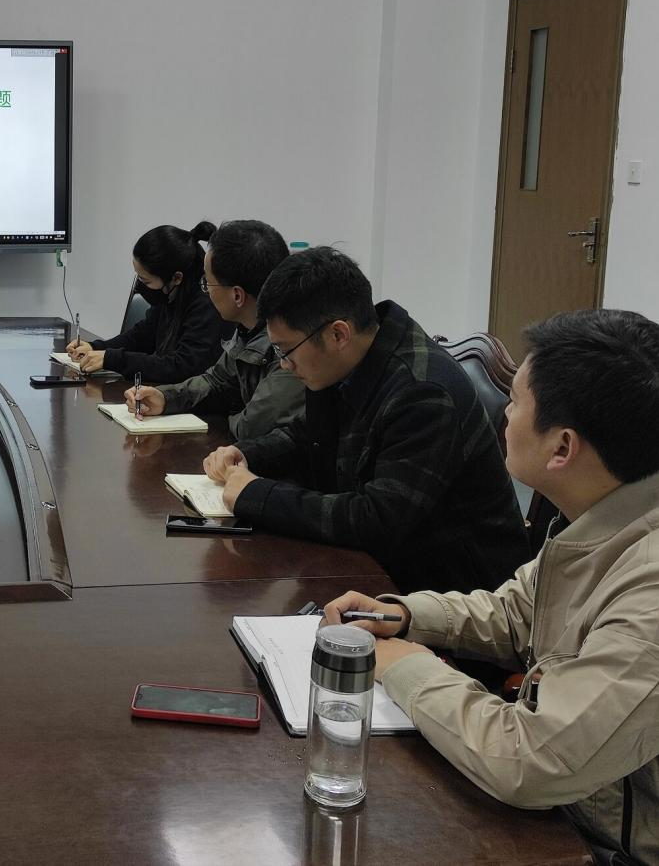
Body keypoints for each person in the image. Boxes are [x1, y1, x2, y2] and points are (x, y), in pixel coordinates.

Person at [323, 309, 659, 866]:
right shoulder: (605, 512)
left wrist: (406, 666)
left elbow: (529, 761)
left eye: (517, 401)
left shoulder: (650, 592)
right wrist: (407, 616)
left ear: (562, 448)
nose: (504, 412)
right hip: (572, 810)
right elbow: (516, 611)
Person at [202, 247, 527, 594]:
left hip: (452, 588)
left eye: (286, 350)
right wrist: (247, 454)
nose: (283, 364)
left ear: (338, 334)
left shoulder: (423, 394)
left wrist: (258, 495)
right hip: (385, 565)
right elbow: (307, 436)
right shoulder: (345, 360)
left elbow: (377, 520)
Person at [119, 220, 304, 440]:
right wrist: (165, 398)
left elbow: (249, 427)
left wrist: (228, 409)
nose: (204, 290)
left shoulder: (290, 348)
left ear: (237, 295)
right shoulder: (248, 330)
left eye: (207, 283)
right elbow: (215, 381)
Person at [68, 221, 229, 383]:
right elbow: (141, 336)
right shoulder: (172, 294)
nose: (140, 286)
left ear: (176, 278)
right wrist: (95, 348)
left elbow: (182, 367)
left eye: (145, 280)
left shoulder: (207, 305)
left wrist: (113, 359)